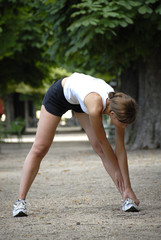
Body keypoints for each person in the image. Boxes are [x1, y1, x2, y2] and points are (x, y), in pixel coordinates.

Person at [13, 72, 140, 217]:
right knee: (40, 148)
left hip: (80, 100)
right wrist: (117, 171)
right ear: (111, 115)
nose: (124, 126)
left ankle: (126, 197)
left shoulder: (119, 106)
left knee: (98, 149)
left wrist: (128, 185)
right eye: (123, 124)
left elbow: (120, 150)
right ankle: (20, 201)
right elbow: (104, 143)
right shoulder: (95, 107)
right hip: (60, 95)